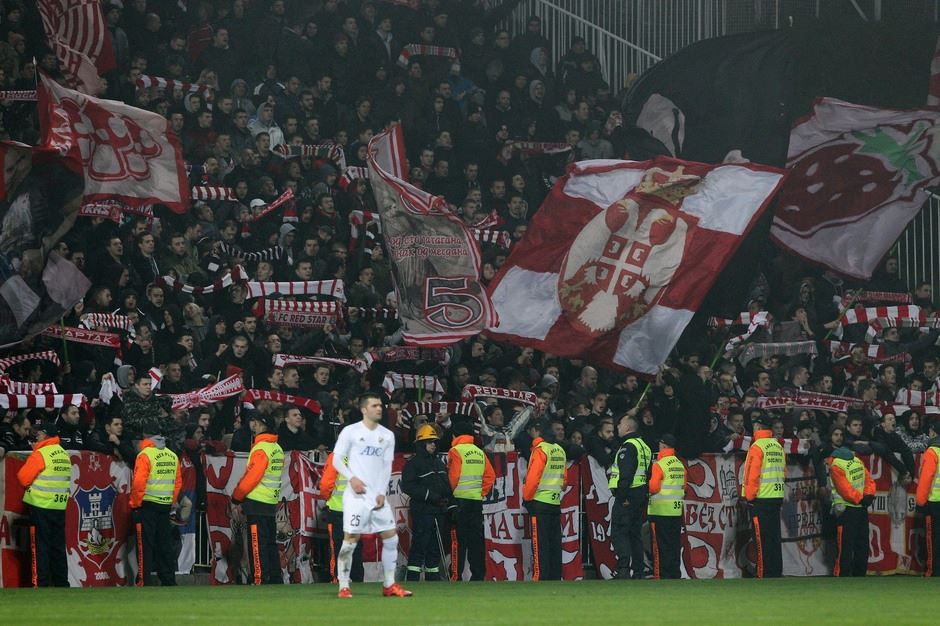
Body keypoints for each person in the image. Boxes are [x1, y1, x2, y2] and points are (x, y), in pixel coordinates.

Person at [332, 393, 412, 597]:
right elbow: (337, 460)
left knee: (391, 538)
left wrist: (382, 492)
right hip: (356, 496)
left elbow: (387, 467)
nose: (380, 408)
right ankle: (343, 585)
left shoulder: (387, 435)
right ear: (364, 409)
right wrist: (351, 478)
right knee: (350, 539)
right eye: (375, 405)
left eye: (381, 405)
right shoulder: (350, 432)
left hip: (377, 497)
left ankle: (389, 585)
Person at [231, 411, 284, 585]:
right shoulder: (276, 448)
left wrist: (237, 497)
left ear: (261, 424)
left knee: (256, 543)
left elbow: (252, 477)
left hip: (256, 501)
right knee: (270, 543)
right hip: (270, 501)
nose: (251, 425)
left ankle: (260, 578)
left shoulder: (261, 449)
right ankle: (275, 578)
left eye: (254, 421)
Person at [17, 421, 71, 587]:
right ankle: (62, 584)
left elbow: (23, 478)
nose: (36, 436)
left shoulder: (41, 454)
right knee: (58, 548)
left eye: (39, 433)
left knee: (40, 547)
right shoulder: (63, 453)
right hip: (59, 507)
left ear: (46, 434)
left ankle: (40, 584)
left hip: (40, 506)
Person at [402, 425, 452, 582]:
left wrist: (451, 504)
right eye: (429, 442)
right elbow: (409, 486)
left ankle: (433, 578)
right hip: (423, 511)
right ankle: (413, 579)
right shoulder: (413, 464)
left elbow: (446, 486)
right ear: (421, 444)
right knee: (419, 545)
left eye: (434, 442)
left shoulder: (438, 463)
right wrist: (431, 496)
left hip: (439, 511)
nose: (433, 445)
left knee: (435, 548)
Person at [130, 433, 182, 586]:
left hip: (148, 504)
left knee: (145, 544)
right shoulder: (172, 455)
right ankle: (168, 579)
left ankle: (143, 580)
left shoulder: (145, 455)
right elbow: (178, 482)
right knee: (164, 545)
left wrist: (135, 504)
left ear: (146, 439)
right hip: (165, 505)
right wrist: (171, 501)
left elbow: (139, 482)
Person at [447, 419, 495, 581]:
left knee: (458, 541)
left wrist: (449, 496)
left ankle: (456, 575)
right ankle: (478, 575)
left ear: (455, 434)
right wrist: (480, 493)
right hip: (476, 502)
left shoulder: (455, 451)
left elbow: (454, 476)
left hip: (459, 500)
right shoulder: (479, 452)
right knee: (476, 541)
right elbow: (490, 476)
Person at [522, 419, 567, 581]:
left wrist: (527, 498)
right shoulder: (560, 450)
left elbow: (533, 478)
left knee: (540, 543)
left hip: (539, 502)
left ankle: (541, 576)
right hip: (555, 502)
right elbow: (564, 480)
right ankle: (555, 577)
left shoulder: (540, 450)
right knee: (555, 543)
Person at [742, 414, 785, 578]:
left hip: (761, 498)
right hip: (777, 497)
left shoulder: (757, 447)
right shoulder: (777, 446)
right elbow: (784, 471)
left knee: (761, 538)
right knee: (774, 537)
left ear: (758, 428)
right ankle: (775, 571)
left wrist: (749, 497)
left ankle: (764, 572)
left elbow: (751, 475)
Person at [608, 416, 651, 580]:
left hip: (628, 494)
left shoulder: (629, 447)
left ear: (627, 427)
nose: (617, 426)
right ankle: (638, 570)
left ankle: (623, 569)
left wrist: (622, 496)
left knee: (620, 532)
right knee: (635, 533)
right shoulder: (644, 446)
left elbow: (626, 474)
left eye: (619, 423)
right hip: (640, 494)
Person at [826, 446, 875, 577]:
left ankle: (842, 574)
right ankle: (860, 574)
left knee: (844, 545)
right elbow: (869, 480)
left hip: (846, 509)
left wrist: (859, 499)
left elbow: (844, 489)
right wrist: (868, 496)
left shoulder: (836, 465)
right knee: (862, 543)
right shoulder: (857, 461)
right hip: (862, 509)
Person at [319, 447, 364, 584]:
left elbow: (326, 484)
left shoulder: (336, 456)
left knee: (338, 546)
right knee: (355, 546)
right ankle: (357, 579)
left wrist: (326, 498)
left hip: (338, 509)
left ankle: (339, 578)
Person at [647, 433, 685, 580]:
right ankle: (674, 574)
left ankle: (661, 575)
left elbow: (654, 487)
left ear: (663, 446)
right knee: (674, 545)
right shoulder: (679, 464)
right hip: (675, 512)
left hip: (660, 511)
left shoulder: (659, 465)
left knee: (660, 547)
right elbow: (685, 486)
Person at [916, 420, 940, 577]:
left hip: (935, 502)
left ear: (932, 432)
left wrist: (920, 501)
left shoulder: (932, 451)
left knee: (934, 539)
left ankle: (933, 571)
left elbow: (926, 478)